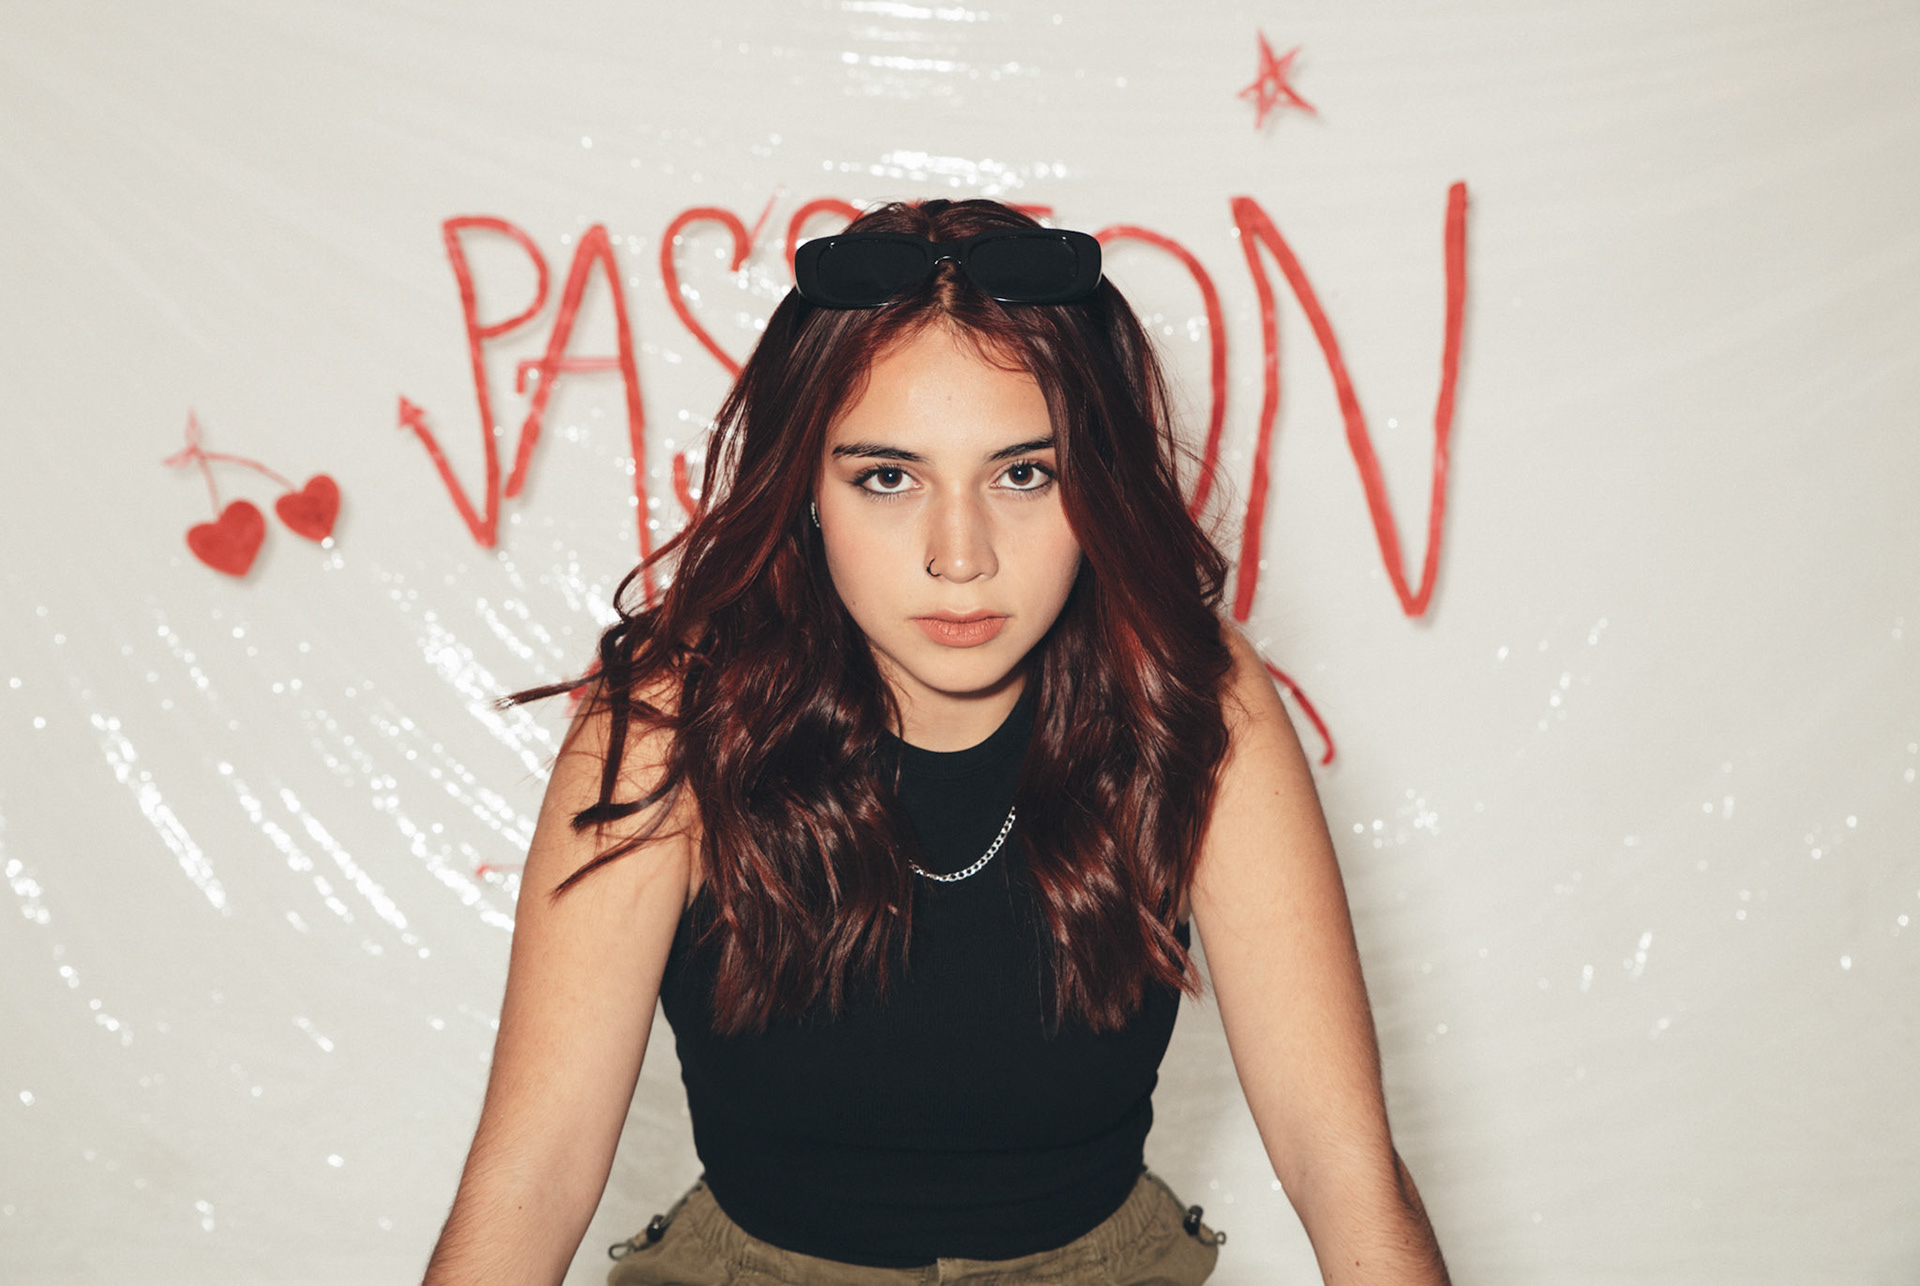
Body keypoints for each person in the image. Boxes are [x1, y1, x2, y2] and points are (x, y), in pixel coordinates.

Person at [422, 198, 1449, 1285]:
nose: (961, 556)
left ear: (1096, 485)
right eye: (888, 477)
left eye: (1024, 474)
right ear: (806, 491)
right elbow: (534, 1172)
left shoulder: (1189, 698)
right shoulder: (672, 723)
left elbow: (1341, 1167)